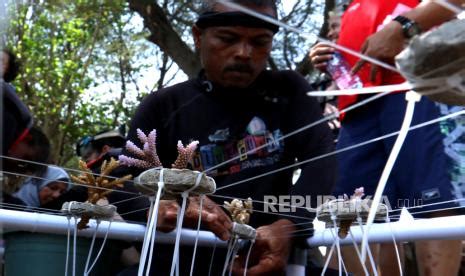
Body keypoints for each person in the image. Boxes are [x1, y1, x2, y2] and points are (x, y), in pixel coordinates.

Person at [123, 0, 336, 274]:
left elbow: (323, 159)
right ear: (198, 37)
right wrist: (157, 206)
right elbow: (124, 182)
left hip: (270, 260)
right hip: (181, 262)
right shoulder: (162, 106)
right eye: (228, 38)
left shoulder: (288, 90)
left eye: (260, 42)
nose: (244, 53)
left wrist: (290, 225)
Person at [310, 0, 463, 275]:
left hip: (421, 86)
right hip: (357, 106)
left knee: (434, 205)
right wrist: (336, 61)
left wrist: (405, 25)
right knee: (352, 215)